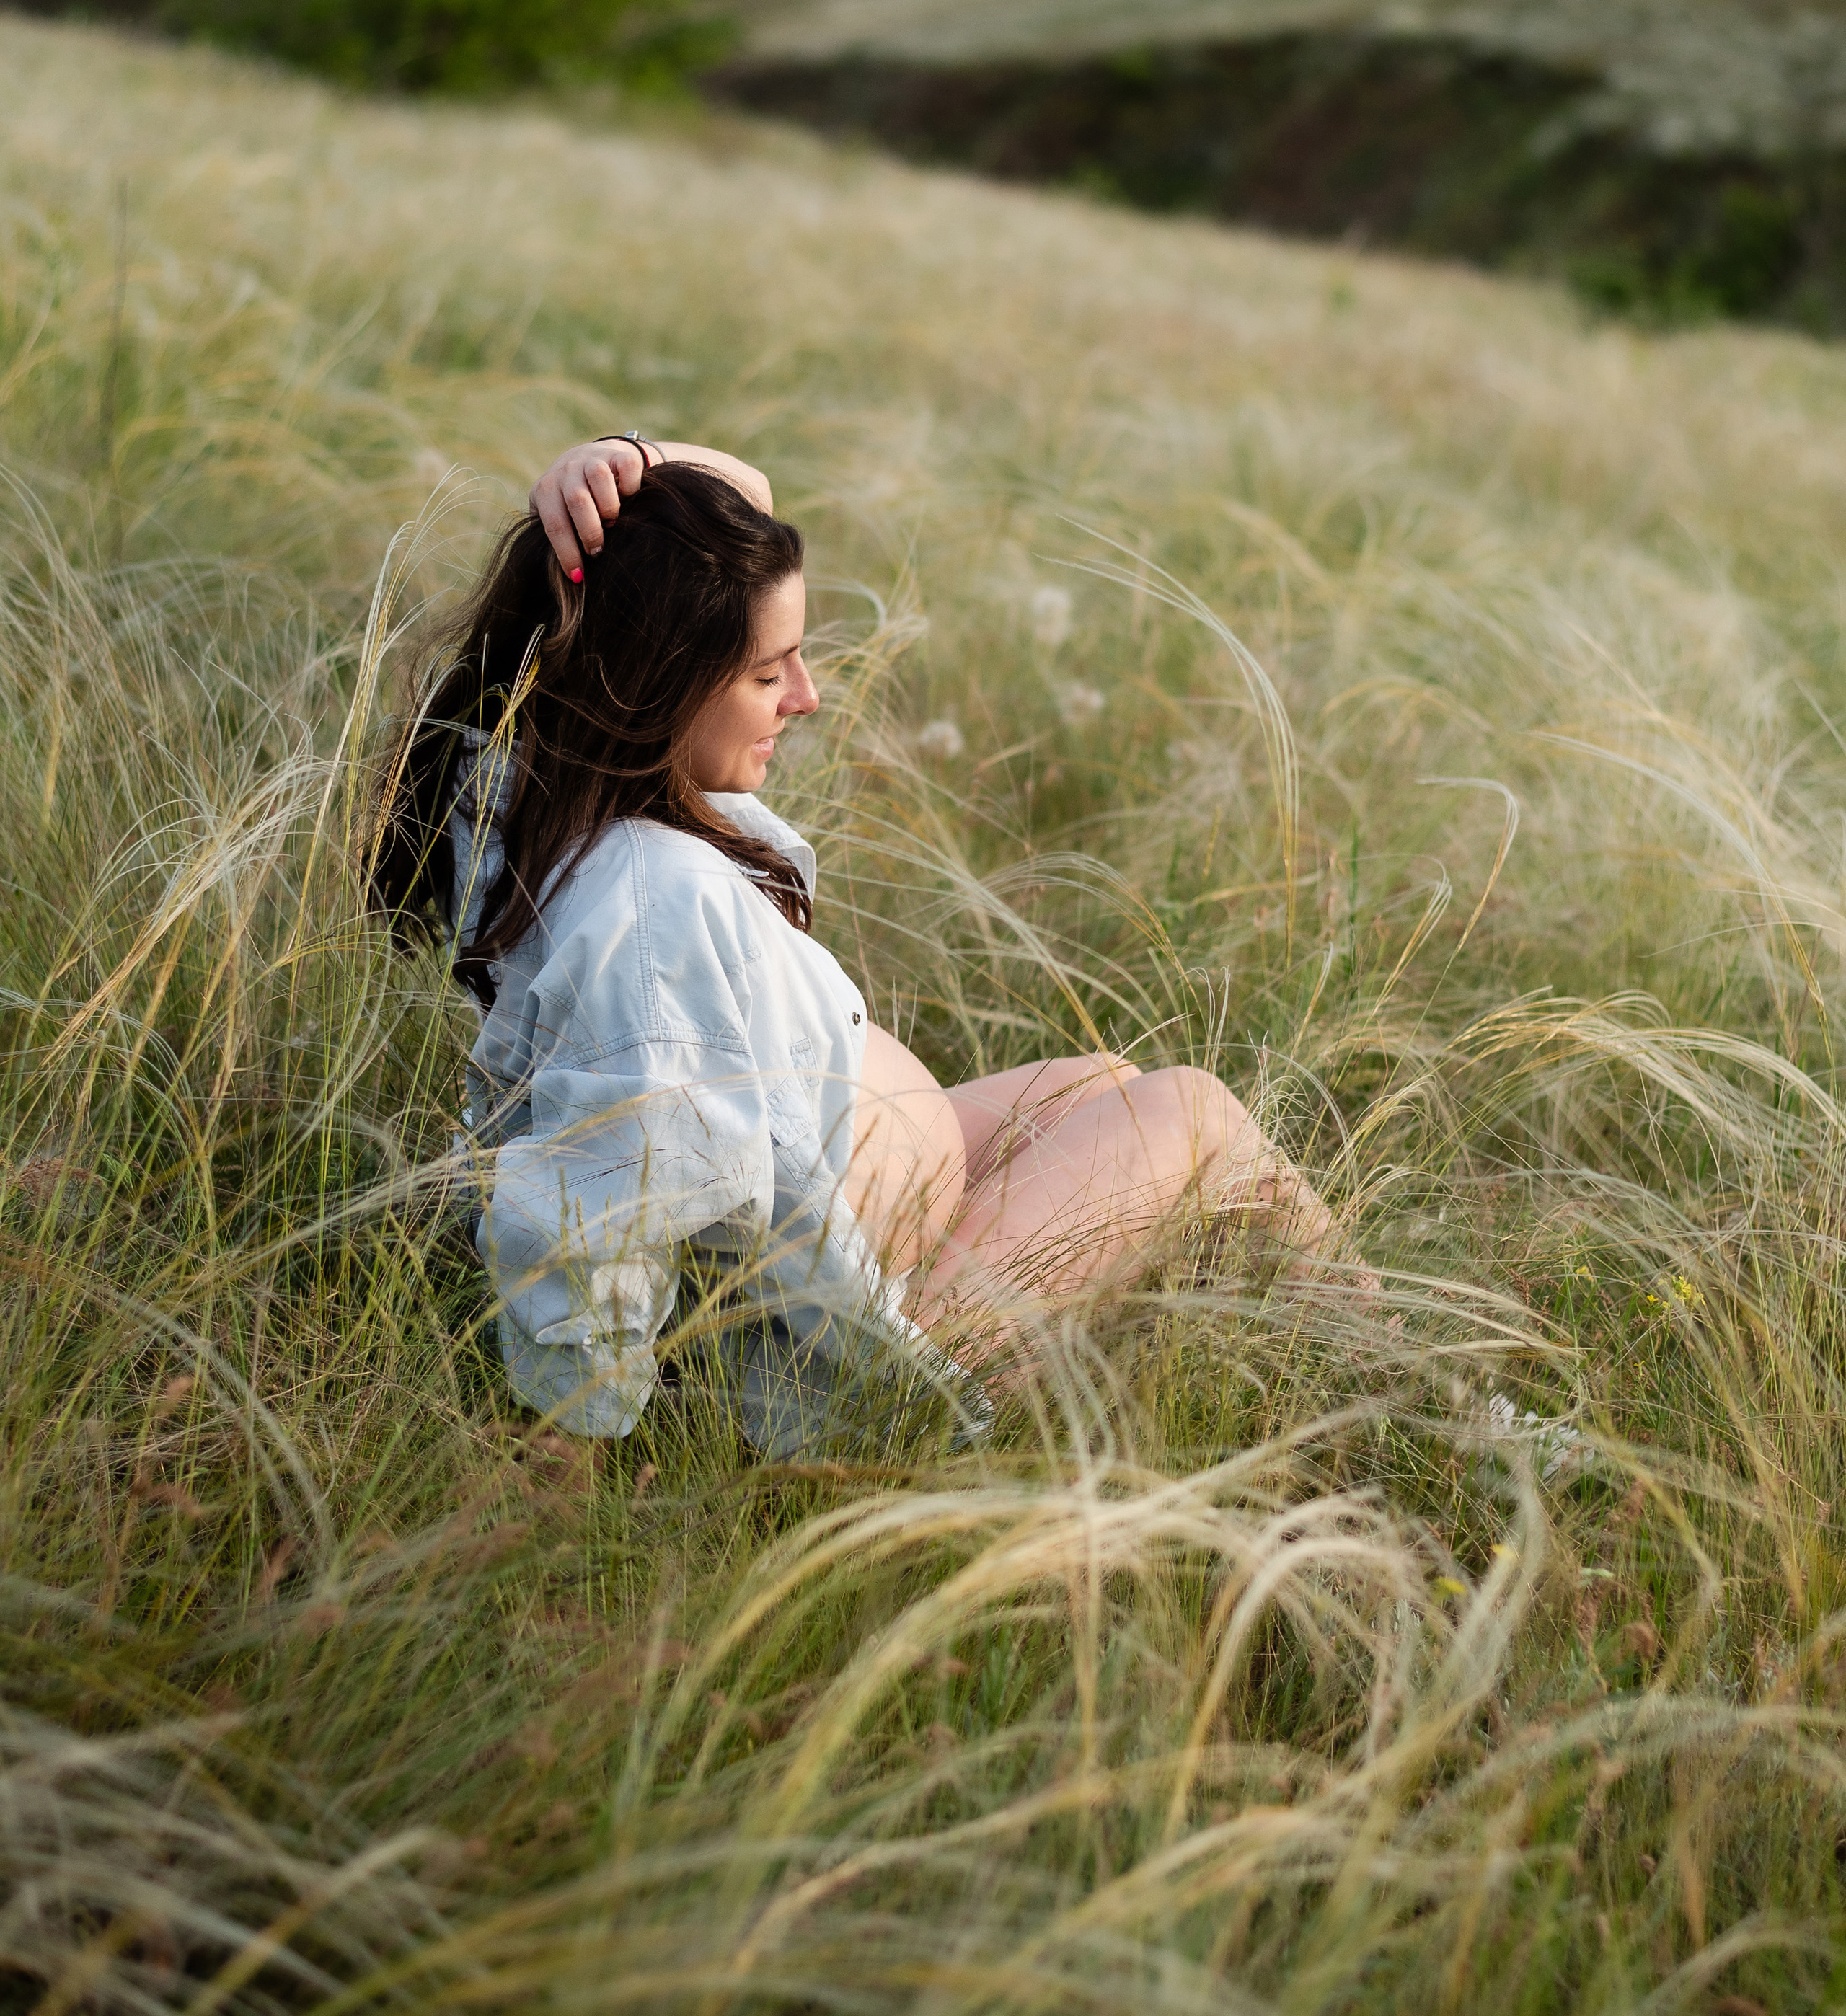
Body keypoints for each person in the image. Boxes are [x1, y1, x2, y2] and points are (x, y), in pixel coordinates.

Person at [372, 433, 1352, 1455]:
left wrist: (618, 464)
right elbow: (605, 1202)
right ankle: (1414, 1387)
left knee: (1102, 1081)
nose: (806, 694)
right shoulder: (652, 899)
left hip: (849, 1207)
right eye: (767, 672)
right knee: (1196, 1113)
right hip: (854, 1345)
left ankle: (1272, 1367)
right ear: (663, 678)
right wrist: (574, 1446)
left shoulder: (537, 778)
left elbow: (729, 508)